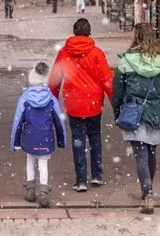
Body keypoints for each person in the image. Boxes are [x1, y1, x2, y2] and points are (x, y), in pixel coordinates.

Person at [112, 24, 160, 215]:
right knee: (151, 152)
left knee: (140, 154)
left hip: (133, 112)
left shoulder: (126, 62)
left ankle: (147, 192)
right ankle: (149, 190)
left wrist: (117, 113)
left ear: (135, 37)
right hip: (155, 112)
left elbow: (117, 93)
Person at [48, 18, 113, 192]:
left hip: (74, 104)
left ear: (74, 32)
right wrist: (116, 103)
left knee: (78, 140)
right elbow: (107, 80)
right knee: (95, 138)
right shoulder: (97, 53)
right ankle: (97, 175)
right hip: (93, 103)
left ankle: (81, 180)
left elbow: (54, 81)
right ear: (89, 32)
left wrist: (52, 101)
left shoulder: (64, 53)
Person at [11, 62, 65, 208]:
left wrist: (15, 142)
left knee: (30, 161)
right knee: (43, 164)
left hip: (29, 137)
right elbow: (59, 121)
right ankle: (43, 193)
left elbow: (18, 121)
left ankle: (30, 191)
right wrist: (61, 139)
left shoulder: (24, 98)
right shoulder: (51, 99)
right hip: (46, 137)